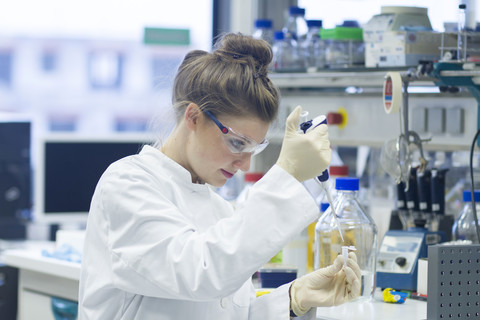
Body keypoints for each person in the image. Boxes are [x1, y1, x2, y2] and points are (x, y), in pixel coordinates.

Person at [78, 32, 361, 320]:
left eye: (255, 148)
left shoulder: (220, 211)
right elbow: (200, 272)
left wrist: (294, 300)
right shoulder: (127, 184)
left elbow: (229, 311)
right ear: (193, 117)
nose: (245, 165)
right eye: (237, 143)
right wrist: (287, 172)